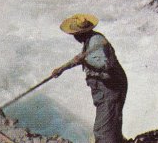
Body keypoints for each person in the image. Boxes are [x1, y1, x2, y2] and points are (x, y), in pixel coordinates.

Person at [52, 14, 127, 143]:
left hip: (111, 88)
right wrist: (62, 68)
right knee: (111, 124)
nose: (74, 37)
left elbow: (103, 64)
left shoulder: (96, 41)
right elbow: (81, 57)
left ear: (79, 34)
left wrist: (85, 59)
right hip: (107, 88)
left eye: (74, 34)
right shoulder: (90, 39)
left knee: (102, 130)